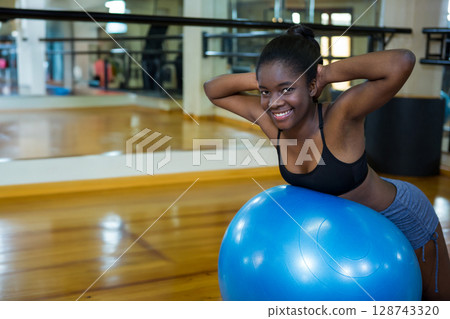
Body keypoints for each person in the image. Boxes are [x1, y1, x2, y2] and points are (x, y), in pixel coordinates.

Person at [204, 25, 450, 301]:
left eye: (287, 89)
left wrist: (323, 73)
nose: (274, 103)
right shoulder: (272, 124)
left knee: (436, 301)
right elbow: (213, 90)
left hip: (399, 215)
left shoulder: (340, 117)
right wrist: (270, 78)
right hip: (350, 235)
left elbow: (401, 61)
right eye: (265, 92)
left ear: (311, 86)